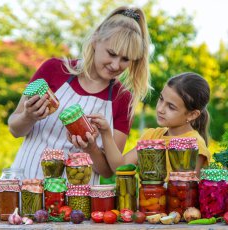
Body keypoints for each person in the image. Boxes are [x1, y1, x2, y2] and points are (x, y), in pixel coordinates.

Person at [8, 6, 152, 184]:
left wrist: (91, 148)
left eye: (125, 59)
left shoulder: (123, 99)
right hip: (28, 184)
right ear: (95, 40)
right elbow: (14, 129)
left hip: (78, 202)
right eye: (112, 54)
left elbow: (108, 170)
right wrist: (28, 116)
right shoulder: (54, 69)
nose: (116, 65)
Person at [89, 72, 211, 179]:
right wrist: (106, 133)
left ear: (192, 115)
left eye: (171, 107)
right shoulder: (152, 136)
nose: (161, 109)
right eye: (161, 99)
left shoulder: (194, 146)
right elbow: (121, 168)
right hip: (146, 205)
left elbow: (185, 191)